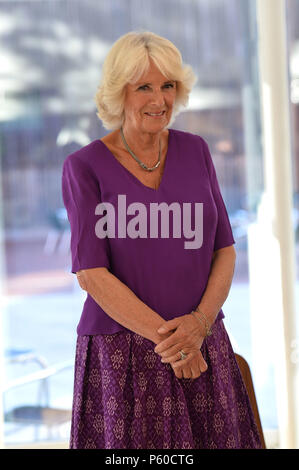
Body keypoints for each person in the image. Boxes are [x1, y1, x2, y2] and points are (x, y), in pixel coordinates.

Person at [62, 30, 262, 449]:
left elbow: (224, 249)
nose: (159, 100)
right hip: (126, 354)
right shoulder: (84, 167)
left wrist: (198, 326)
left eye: (168, 85)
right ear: (120, 93)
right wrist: (174, 344)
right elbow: (91, 274)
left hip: (203, 338)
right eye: (144, 87)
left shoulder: (196, 151)